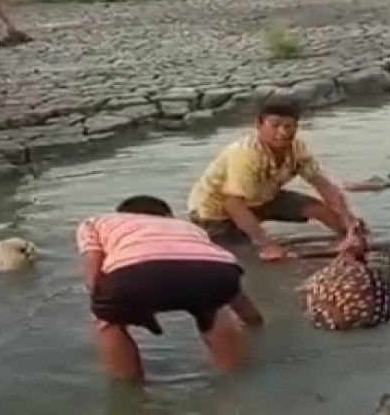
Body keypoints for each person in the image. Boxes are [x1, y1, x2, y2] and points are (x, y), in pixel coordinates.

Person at [76, 195, 264, 384]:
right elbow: (231, 291)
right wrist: (255, 322)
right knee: (214, 307)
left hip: (133, 275)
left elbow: (93, 275)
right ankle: (233, 376)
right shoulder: (188, 227)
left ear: (121, 215)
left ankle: (129, 386)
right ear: (168, 216)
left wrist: (114, 308)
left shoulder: (96, 222)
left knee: (108, 322)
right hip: (217, 271)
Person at [188, 97, 360, 261]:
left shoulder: (297, 148)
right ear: (259, 125)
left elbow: (324, 186)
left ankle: (353, 236)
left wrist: (350, 225)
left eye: (288, 126)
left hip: (260, 196)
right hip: (216, 211)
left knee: (320, 210)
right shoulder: (245, 154)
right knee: (245, 256)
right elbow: (232, 204)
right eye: (275, 126)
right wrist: (267, 245)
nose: (283, 132)